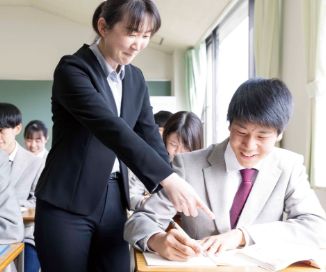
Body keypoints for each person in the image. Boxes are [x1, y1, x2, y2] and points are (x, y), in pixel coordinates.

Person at [34, 1, 213, 272]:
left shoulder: (136, 78)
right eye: (132, 33)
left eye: (146, 36)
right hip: (67, 202)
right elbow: (112, 129)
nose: (139, 44)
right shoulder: (72, 70)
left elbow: (150, 135)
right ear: (103, 26)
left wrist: (170, 185)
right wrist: (169, 179)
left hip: (114, 200)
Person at [124, 78, 326, 261]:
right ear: (229, 126)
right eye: (241, 132)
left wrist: (242, 236)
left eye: (262, 137)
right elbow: (140, 221)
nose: (249, 145)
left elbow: (317, 227)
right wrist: (157, 240)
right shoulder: (188, 165)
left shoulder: (289, 166)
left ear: (279, 134)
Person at [130, 111, 203, 210]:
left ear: (196, 144)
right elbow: (131, 196)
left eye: (186, 147)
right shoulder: (153, 162)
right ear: (164, 139)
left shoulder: (204, 167)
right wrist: (150, 203)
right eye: (173, 144)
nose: (178, 152)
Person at [0, 103, 43, 272]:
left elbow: (38, 200)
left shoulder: (35, 163)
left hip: (25, 231)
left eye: (1, 131)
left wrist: (16, 207)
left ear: (17, 129)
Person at [0, 149, 24, 244]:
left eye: (2, 133)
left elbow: (11, 230)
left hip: (27, 230)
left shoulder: (37, 162)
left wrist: (18, 203)